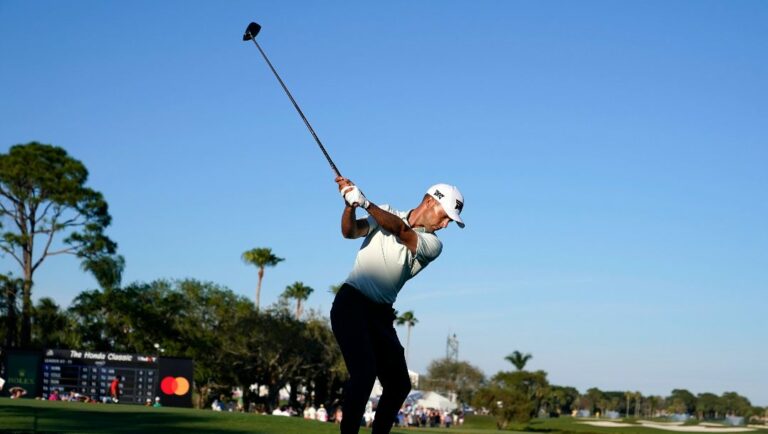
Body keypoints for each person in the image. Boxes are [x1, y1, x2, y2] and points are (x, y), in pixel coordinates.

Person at [331, 178, 465, 434]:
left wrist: (366, 202)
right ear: (429, 201)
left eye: (450, 220)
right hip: (351, 304)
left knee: (399, 384)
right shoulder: (385, 212)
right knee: (365, 372)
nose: (446, 224)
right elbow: (349, 232)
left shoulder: (434, 244)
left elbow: (402, 232)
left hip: (379, 315)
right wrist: (350, 205)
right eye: (446, 215)